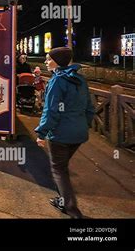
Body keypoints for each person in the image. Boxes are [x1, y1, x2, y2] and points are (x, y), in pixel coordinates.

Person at [35, 47, 95, 219]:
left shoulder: (57, 81)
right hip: (79, 134)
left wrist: (41, 133)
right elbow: (89, 109)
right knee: (62, 168)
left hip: (60, 135)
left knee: (58, 170)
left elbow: (51, 111)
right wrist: (83, 125)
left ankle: (70, 208)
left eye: (48, 59)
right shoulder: (81, 80)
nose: (46, 62)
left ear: (57, 61)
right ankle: (63, 201)